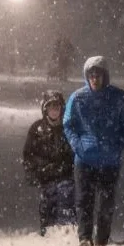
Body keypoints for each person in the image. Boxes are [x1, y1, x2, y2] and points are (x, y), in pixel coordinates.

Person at [63, 56, 124, 246]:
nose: (95, 79)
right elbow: (68, 124)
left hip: (110, 160)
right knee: (83, 201)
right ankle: (85, 239)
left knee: (106, 203)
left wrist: (118, 145)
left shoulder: (118, 97)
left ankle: (101, 240)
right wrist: (78, 146)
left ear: (105, 76)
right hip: (84, 159)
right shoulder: (78, 98)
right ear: (87, 77)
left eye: (98, 75)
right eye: (91, 75)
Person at [22, 90, 76, 236]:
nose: (54, 110)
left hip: (66, 176)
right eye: (51, 107)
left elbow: (75, 151)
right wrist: (35, 170)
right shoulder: (37, 129)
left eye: (57, 107)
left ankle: (67, 232)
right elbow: (29, 154)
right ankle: (48, 233)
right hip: (45, 177)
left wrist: (67, 166)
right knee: (47, 206)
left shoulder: (68, 128)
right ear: (45, 109)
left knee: (66, 202)